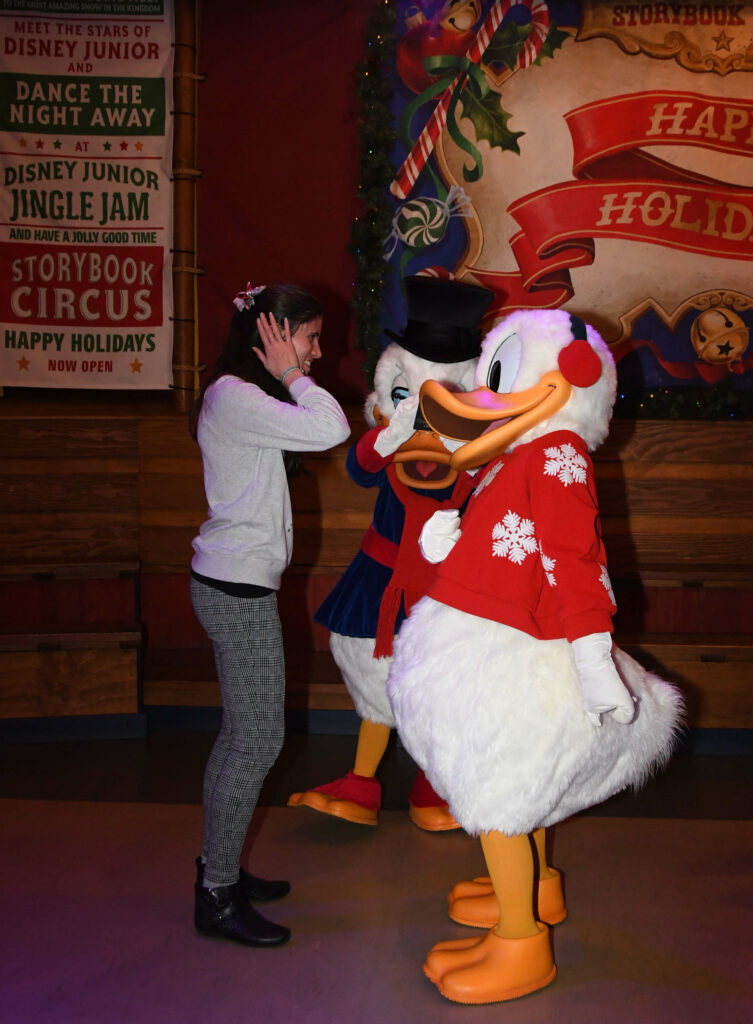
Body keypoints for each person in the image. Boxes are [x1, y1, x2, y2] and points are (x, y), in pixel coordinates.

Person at [189, 282, 350, 947]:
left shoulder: (243, 399)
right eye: (308, 338)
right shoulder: (234, 395)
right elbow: (331, 427)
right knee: (257, 741)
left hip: (234, 585)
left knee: (240, 738)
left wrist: (287, 373)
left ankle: (216, 871)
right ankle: (216, 894)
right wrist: (290, 371)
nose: (315, 353)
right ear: (276, 334)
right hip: (235, 591)